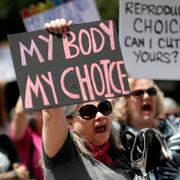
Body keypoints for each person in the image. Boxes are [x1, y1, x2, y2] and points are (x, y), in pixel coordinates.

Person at [41, 19, 170, 180]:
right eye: (88, 112)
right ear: (69, 122)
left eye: (104, 107)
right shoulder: (65, 156)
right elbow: (50, 112)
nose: (100, 115)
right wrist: (53, 42)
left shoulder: (125, 154)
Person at [113, 78, 180, 179]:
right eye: (138, 93)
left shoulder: (176, 125)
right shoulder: (118, 135)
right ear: (125, 101)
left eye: (151, 91)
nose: (146, 96)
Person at [10, 97, 43, 180]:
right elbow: (19, 113)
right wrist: (29, 85)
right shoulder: (27, 136)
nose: (46, 111)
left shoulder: (66, 129)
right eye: (40, 109)